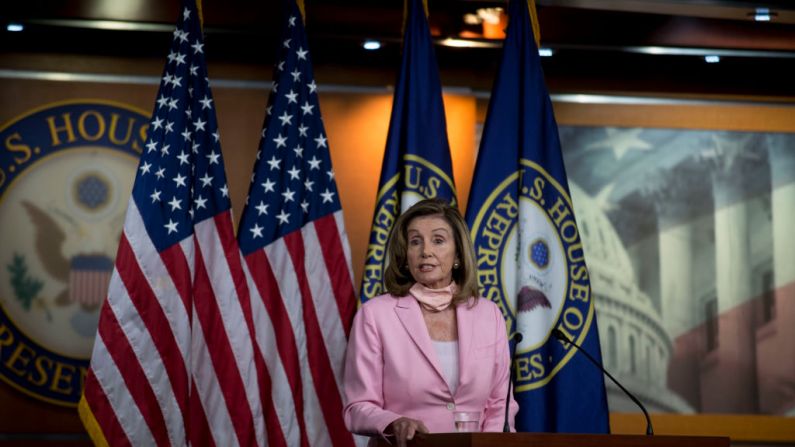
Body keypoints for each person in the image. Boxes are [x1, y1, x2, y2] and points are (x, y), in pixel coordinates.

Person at [343, 198, 519, 446]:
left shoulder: (488, 314)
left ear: (457, 253)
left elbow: (500, 402)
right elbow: (357, 407)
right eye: (415, 242)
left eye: (438, 240)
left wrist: (488, 444)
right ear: (405, 256)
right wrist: (393, 422)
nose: (426, 251)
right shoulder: (375, 315)